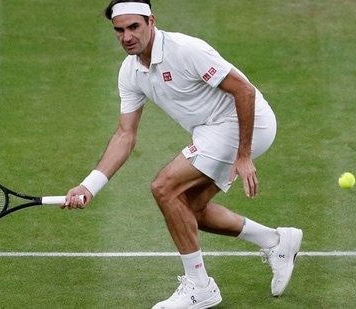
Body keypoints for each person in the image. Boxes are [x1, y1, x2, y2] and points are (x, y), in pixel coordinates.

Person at [63, 1, 303, 308]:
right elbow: (125, 135)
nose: (126, 37)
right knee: (189, 210)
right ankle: (276, 241)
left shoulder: (186, 50)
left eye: (133, 27)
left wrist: (243, 155)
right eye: (119, 30)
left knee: (164, 187)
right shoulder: (131, 72)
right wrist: (89, 185)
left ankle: (200, 287)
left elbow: (245, 91)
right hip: (210, 130)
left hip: (244, 123)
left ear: (151, 21)